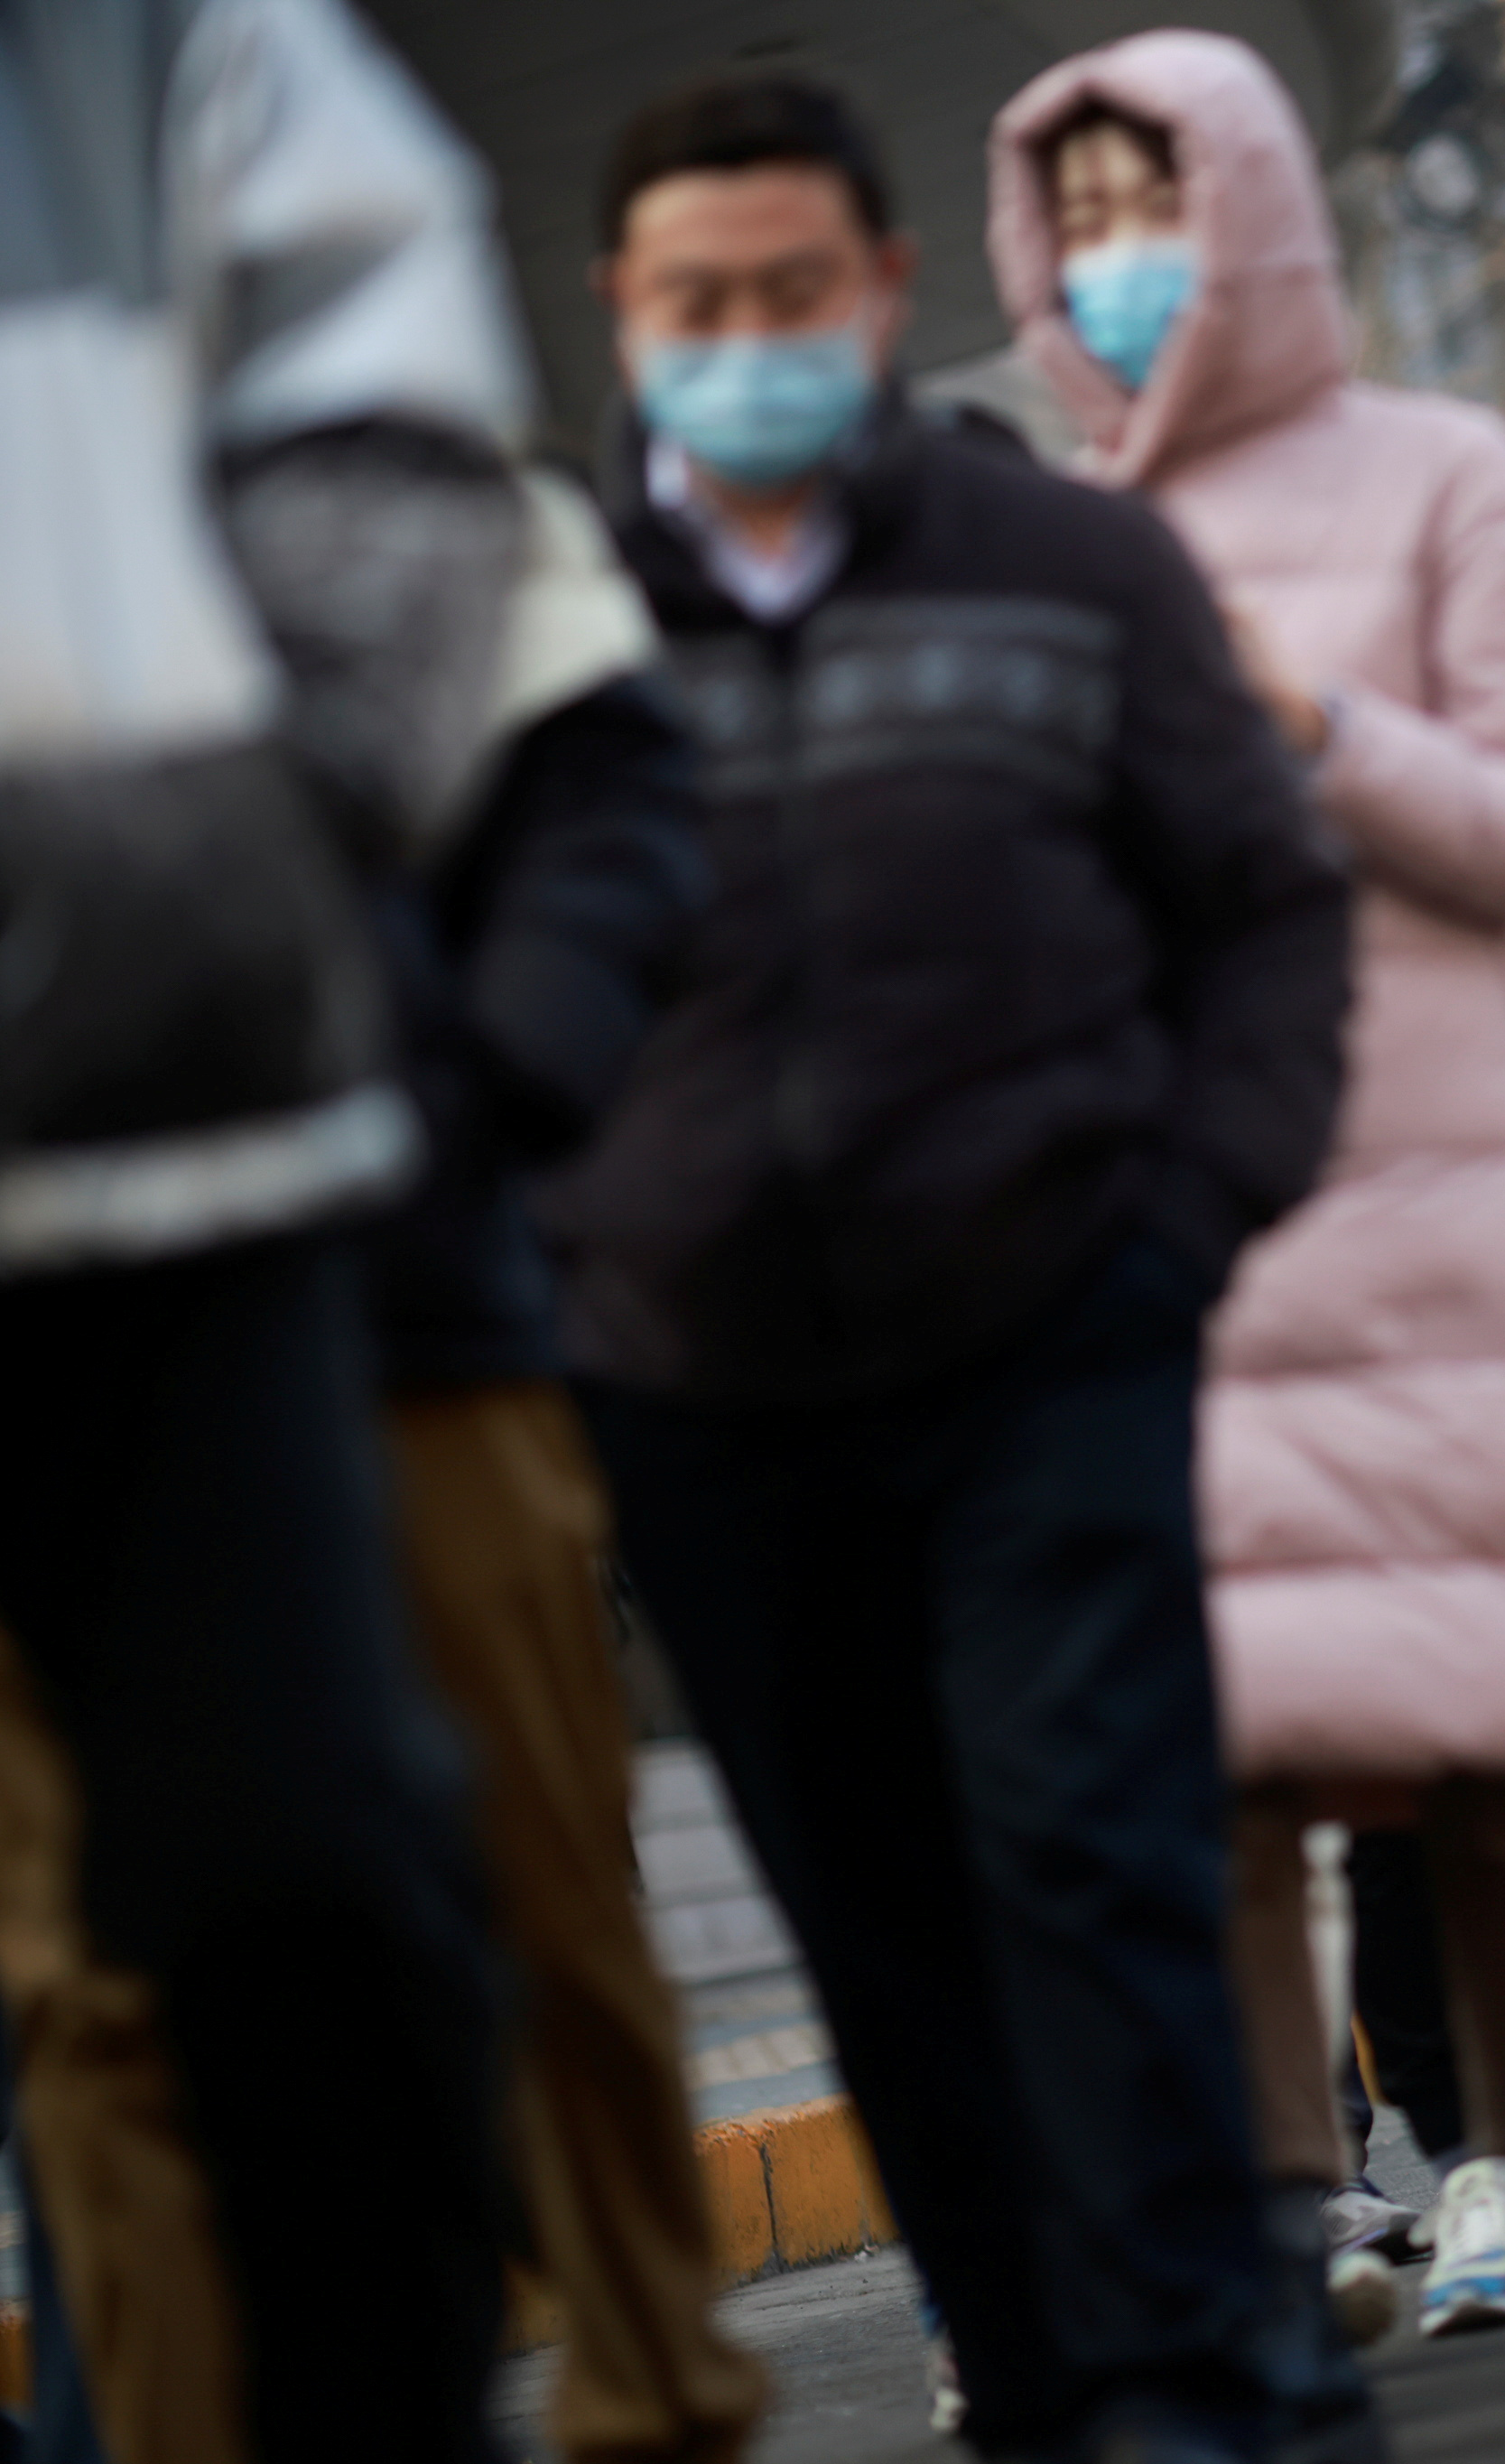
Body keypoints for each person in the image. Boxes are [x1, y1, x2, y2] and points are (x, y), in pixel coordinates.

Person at [550, 75, 1358, 2464]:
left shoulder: (1060, 568)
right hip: (700, 1401)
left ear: (884, 288)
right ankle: (1031, 2387)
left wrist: (1181, 1218)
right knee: (880, 1931)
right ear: (622, 313)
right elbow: (458, 981)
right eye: (695, 302)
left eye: (791, 291)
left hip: (1046, 1347)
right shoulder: (553, 629)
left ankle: (1200, 2390)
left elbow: (1264, 904)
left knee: (1092, 1870)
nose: (746, 339)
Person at [0, 3, 535, 2450]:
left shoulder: (152, 37)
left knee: (305, 1888)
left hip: (162, 1131)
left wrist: (267, 832)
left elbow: (392, 380)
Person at [0, 480, 766, 2464]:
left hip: (397, 1286)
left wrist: (479, 1086)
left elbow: (597, 769)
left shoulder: (292, 237)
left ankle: (654, 2400)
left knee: (541, 1905)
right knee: (91, 1996)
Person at [987, 31, 1505, 2440]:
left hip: (1449, 1234)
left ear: (1254, 204)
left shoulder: (1449, 477)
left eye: (1144, 200)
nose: (1112, 258)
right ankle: (1285, 2260)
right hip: (1184, 1246)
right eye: (1069, 217)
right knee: (1217, 1793)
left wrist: (1307, 730)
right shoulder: (1075, 530)